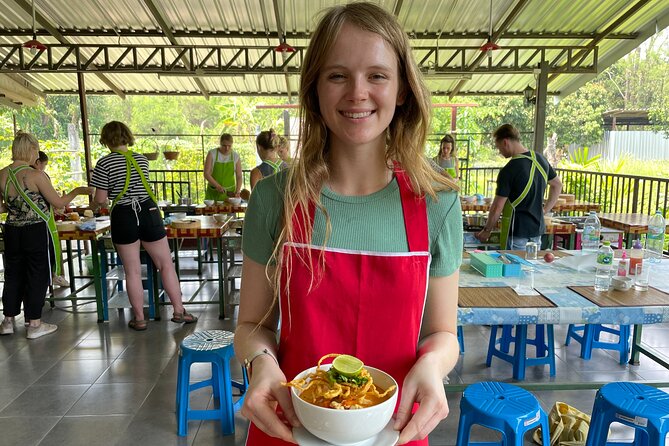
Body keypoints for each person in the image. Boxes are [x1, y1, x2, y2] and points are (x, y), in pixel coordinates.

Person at [234, 3, 463, 445]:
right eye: (337, 75)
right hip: (290, 425)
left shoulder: (438, 204)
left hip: (394, 430)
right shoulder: (273, 198)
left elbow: (443, 333)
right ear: (315, 89)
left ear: (401, 91)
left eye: (377, 75)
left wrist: (434, 365)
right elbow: (252, 326)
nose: (358, 93)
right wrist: (261, 362)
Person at [90, 121, 198, 330]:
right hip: (148, 211)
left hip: (124, 215)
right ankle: (178, 310)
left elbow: (101, 199)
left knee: (132, 271)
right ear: (126, 136)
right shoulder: (141, 160)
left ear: (105, 139)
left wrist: (93, 198)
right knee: (165, 264)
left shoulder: (104, 164)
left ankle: (139, 318)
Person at [0, 131, 92, 339]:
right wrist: (78, 190)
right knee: (37, 274)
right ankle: (34, 323)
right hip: (35, 231)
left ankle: (7, 321)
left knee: (13, 274)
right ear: (31, 150)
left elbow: (1, 207)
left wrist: (17, 208)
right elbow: (58, 203)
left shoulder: (2, 174)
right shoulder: (35, 175)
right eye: (36, 149)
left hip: (12, 230)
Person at [476, 123, 562, 249]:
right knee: (531, 267)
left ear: (505, 142)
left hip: (516, 232)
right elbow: (557, 185)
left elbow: (497, 206)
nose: (500, 152)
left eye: (499, 147)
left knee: (514, 267)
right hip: (537, 231)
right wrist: (545, 210)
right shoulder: (540, 159)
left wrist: (487, 230)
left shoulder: (509, 169)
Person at [33, 150, 70, 288]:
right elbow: (57, 202)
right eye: (44, 164)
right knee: (51, 249)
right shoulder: (39, 175)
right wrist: (77, 192)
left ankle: (51, 276)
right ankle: (54, 275)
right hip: (43, 222)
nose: (44, 168)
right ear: (38, 162)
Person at [203, 133, 243, 201]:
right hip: (213, 191)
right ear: (220, 143)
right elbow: (206, 174)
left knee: (230, 210)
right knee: (211, 210)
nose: (227, 148)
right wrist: (217, 186)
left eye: (229, 146)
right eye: (224, 146)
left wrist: (237, 191)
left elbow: (239, 176)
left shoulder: (235, 156)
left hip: (230, 193)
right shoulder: (212, 153)